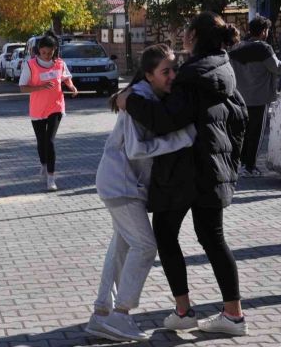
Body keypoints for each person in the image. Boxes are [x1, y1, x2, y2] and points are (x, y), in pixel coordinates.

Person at [116, 11, 248, 336]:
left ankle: (184, 310)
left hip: (185, 171)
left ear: (195, 38)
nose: (184, 37)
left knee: (165, 232)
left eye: (187, 32)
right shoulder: (223, 70)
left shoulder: (192, 77)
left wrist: (128, 101)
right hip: (213, 167)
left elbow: (163, 120)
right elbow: (241, 118)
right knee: (213, 238)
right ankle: (233, 315)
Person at [86, 45, 196, 342]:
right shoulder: (140, 99)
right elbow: (136, 149)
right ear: (148, 75)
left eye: (174, 69)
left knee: (121, 247)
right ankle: (121, 314)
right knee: (146, 246)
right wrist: (180, 139)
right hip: (120, 184)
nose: (172, 76)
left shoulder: (147, 96)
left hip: (122, 184)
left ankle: (102, 314)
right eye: (165, 72)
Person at [229, 16, 281, 177]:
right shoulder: (264, 49)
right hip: (259, 99)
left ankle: (241, 164)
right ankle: (250, 167)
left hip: (240, 98)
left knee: (243, 133)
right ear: (264, 32)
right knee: (256, 134)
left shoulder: (237, 48)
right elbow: (278, 68)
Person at [19, 32, 78, 191]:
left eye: (50, 53)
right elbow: (23, 88)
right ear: (39, 50)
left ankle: (51, 178)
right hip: (38, 109)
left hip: (56, 106)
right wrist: (40, 87)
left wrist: (71, 86)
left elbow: (66, 77)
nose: (46, 56)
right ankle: (43, 165)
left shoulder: (59, 63)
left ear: (55, 51)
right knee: (41, 141)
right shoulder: (31, 65)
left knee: (50, 141)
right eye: (44, 52)